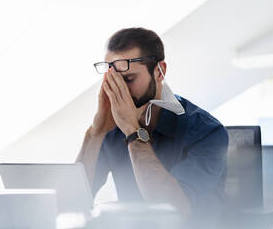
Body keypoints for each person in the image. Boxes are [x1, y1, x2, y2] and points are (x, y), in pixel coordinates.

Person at [76, 27, 228, 222]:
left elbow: (172, 212)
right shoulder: (111, 128)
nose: (120, 90)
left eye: (129, 79)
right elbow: (73, 200)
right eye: (113, 81)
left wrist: (132, 130)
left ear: (159, 71)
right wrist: (96, 132)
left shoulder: (206, 132)